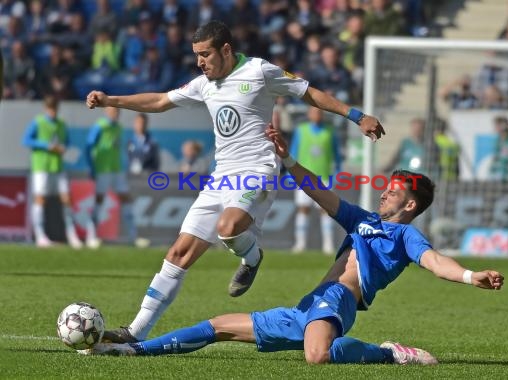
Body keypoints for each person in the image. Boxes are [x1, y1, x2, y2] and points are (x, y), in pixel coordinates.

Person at [84, 125, 504, 364]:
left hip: (338, 299)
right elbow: (320, 192)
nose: (383, 194)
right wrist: (287, 161)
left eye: (392, 192)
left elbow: (434, 262)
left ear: (410, 204)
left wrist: (471, 276)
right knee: (218, 326)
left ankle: (391, 355)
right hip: (310, 304)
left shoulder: (404, 234)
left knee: (317, 357)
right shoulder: (362, 219)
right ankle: (134, 351)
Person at [84, 20, 384, 343]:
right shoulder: (203, 84)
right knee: (178, 252)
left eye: (205, 55)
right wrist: (111, 100)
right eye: (196, 55)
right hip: (221, 176)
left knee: (228, 227)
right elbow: (159, 101)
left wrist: (356, 116)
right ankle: (135, 332)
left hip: (259, 170)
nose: (200, 62)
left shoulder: (259, 71)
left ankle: (252, 257)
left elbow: (308, 93)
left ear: (225, 50)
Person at [22, 95, 82, 249]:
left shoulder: (61, 124)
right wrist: (46, 145)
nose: (53, 112)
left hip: (58, 166)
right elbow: (26, 140)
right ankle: (40, 235)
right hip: (41, 166)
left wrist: (63, 147)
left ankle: (71, 234)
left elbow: (66, 141)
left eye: (55, 109)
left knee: (66, 199)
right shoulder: (38, 122)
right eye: (50, 109)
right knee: (40, 199)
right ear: (45, 109)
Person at [85, 107, 150, 249]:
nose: (116, 114)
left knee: (126, 198)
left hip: (117, 169)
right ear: (107, 111)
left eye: (118, 112)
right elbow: (88, 146)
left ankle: (133, 236)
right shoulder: (100, 126)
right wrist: (92, 167)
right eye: (113, 111)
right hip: (103, 169)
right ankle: (91, 236)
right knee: (99, 200)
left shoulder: (119, 128)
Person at [290, 106, 341, 255]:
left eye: (319, 112)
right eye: (314, 112)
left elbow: (336, 154)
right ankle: (300, 244)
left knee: (326, 210)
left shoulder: (330, 131)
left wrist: (338, 172)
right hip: (303, 178)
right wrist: (291, 174)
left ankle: (328, 245)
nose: (317, 115)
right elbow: (293, 152)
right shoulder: (301, 130)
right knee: (303, 209)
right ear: (309, 114)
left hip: (324, 177)